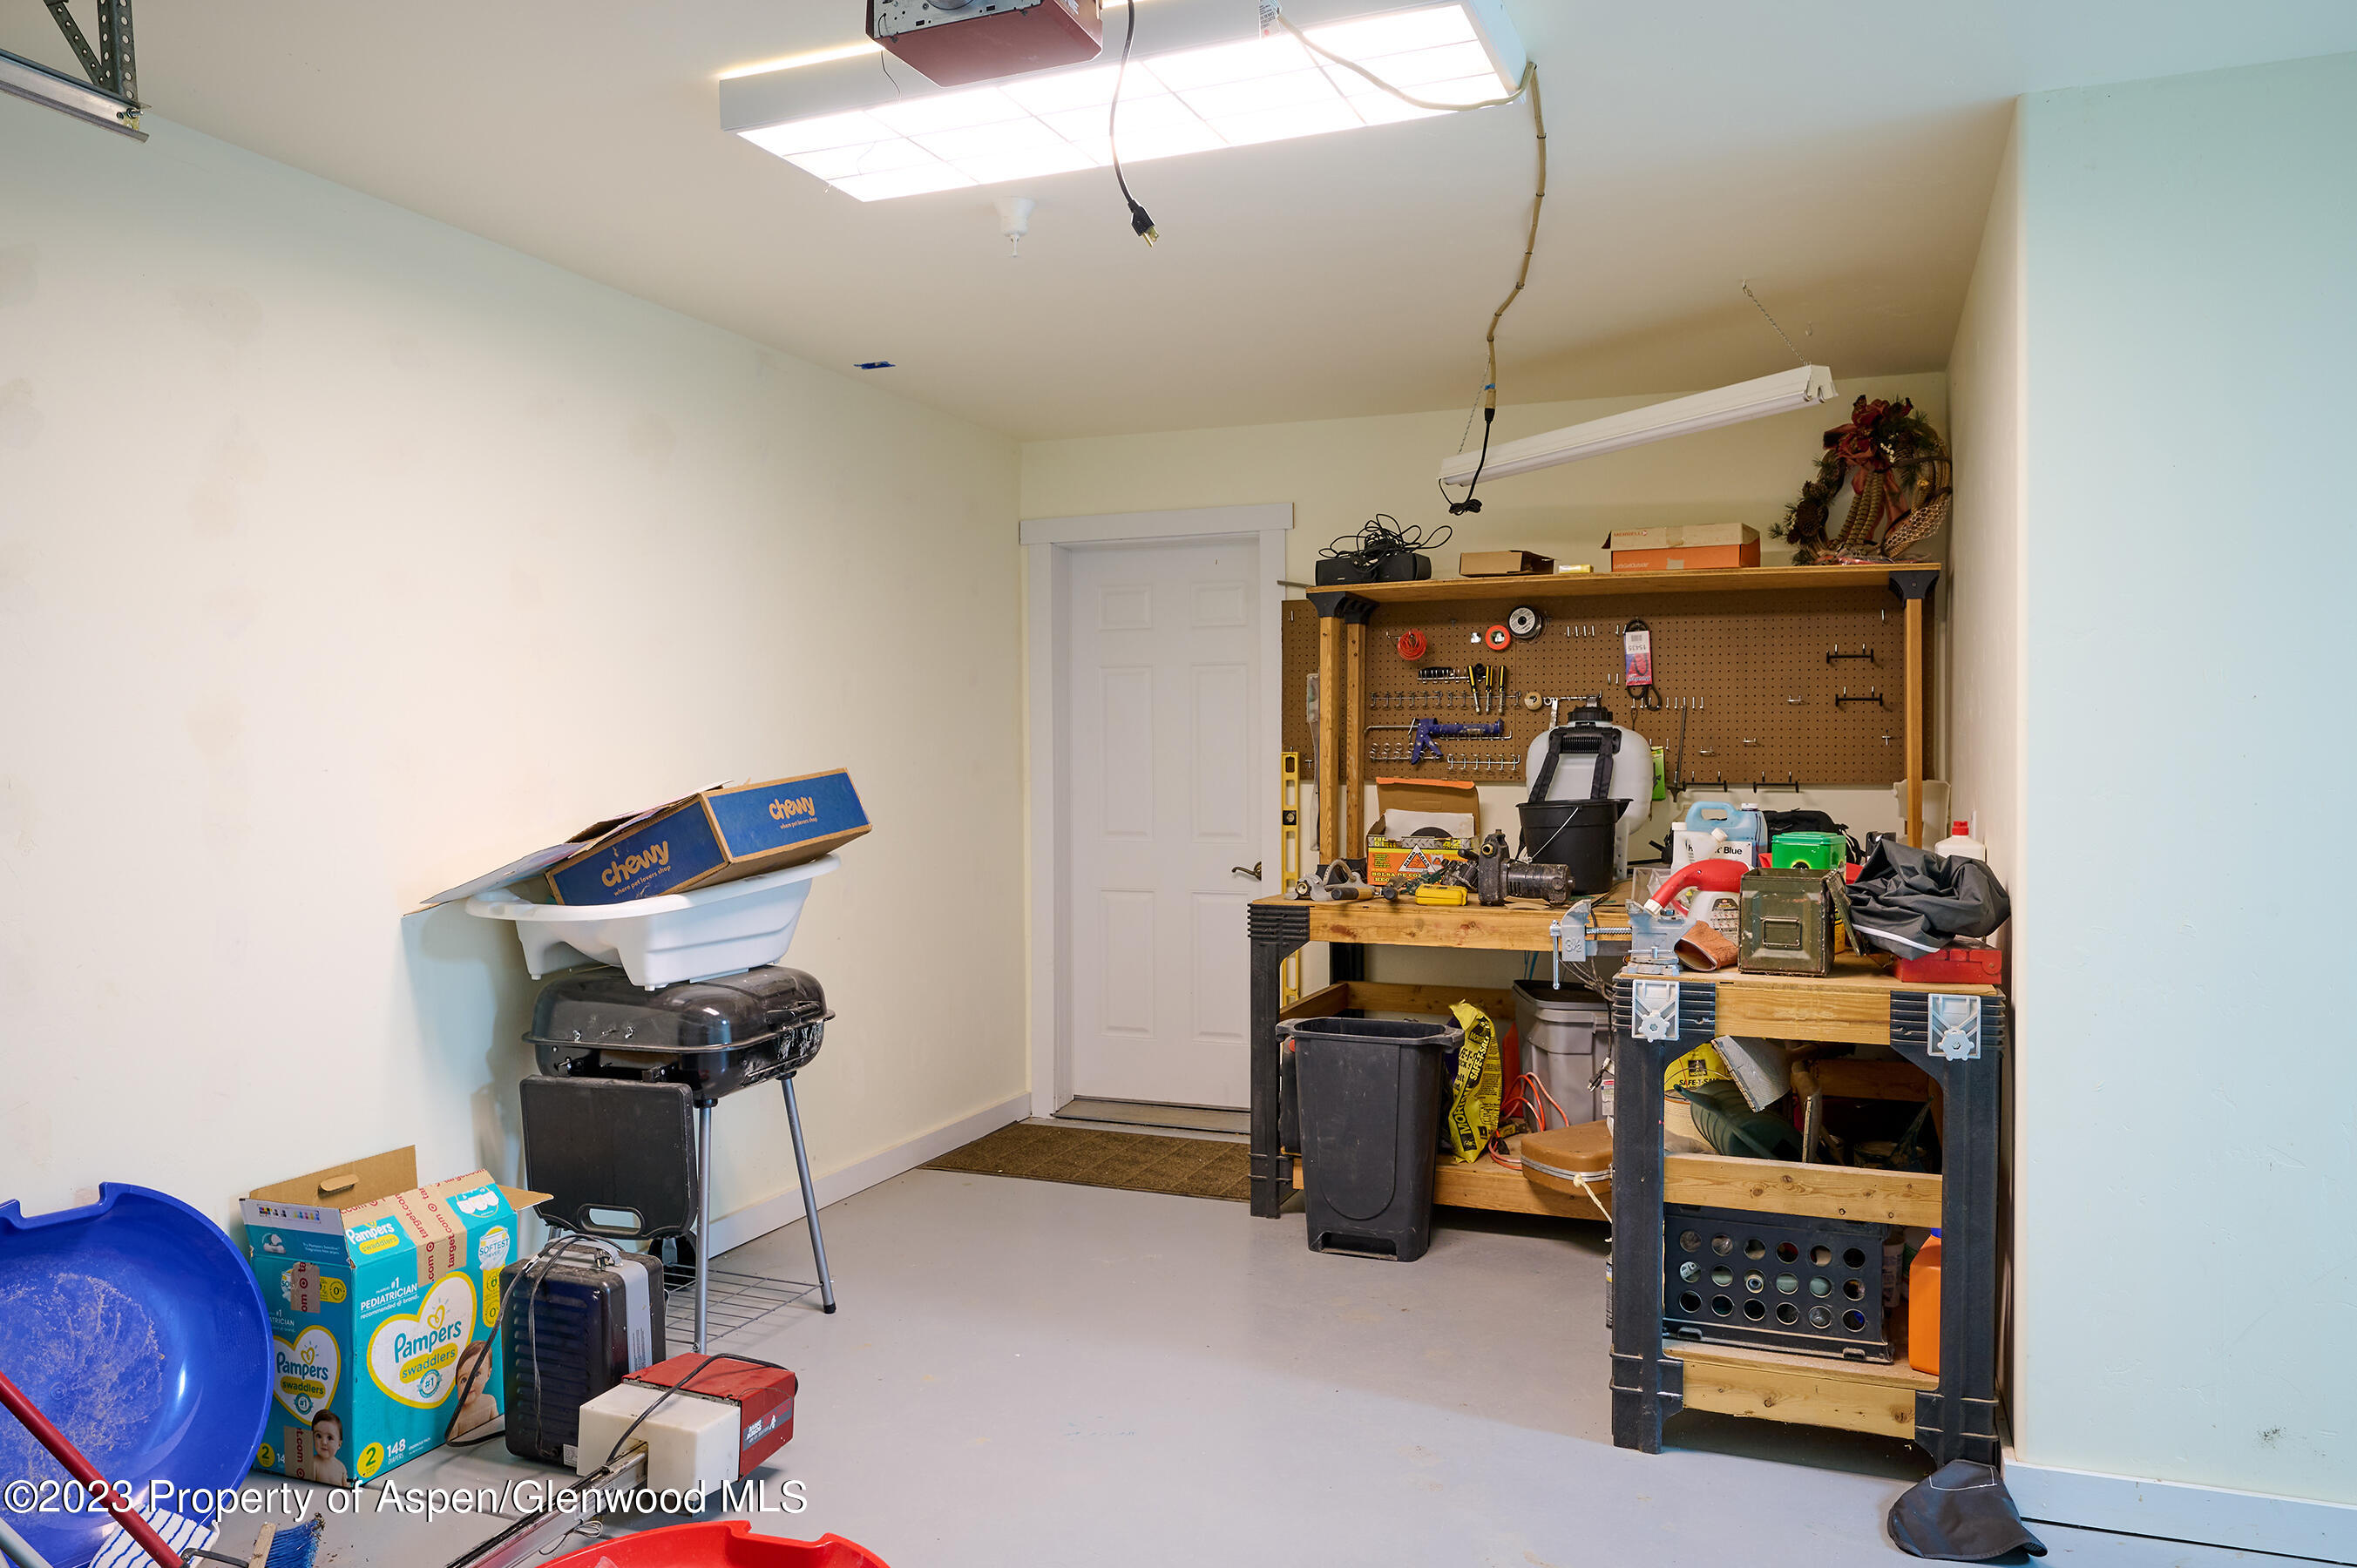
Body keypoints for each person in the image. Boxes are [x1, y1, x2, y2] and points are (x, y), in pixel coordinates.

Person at [450, 1340, 501, 1437]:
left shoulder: (490, 1402)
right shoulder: (458, 1420)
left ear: (488, 1375)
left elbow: (497, 1427)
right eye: (463, 1380)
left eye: (476, 1374)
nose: (470, 1384)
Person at [305, 1409, 348, 1486]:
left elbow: (346, 1486)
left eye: (329, 1438)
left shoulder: (341, 1467)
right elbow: (308, 1486)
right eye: (318, 1436)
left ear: (339, 1444)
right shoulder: (314, 1464)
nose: (324, 1442)